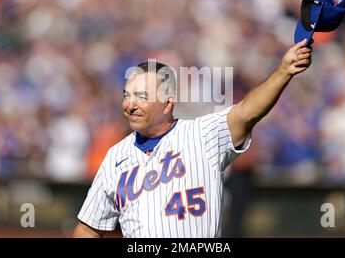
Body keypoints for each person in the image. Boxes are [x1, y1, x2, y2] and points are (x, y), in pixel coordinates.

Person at [72, 38, 312, 238]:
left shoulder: (202, 135)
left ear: (167, 103)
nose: (129, 105)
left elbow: (248, 111)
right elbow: (88, 228)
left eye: (141, 96)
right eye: (127, 95)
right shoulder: (116, 156)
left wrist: (283, 71)